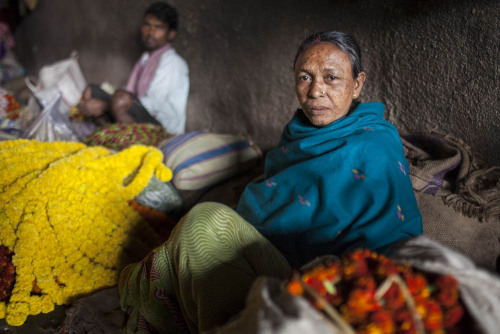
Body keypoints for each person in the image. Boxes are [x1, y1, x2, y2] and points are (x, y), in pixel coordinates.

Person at [118, 31, 422, 333]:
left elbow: (394, 241)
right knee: (195, 235)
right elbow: (268, 203)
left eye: (331, 78)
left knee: (204, 223)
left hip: (324, 285)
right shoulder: (296, 136)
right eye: (305, 77)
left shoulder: (374, 145)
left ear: (357, 84)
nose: (315, 91)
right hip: (277, 267)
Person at [78, 2, 189, 135]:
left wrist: (104, 105)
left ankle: (130, 145)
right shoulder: (145, 59)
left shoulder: (173, 63)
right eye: (147, 25)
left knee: (120, 99)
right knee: (92, 91)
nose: (150, 32)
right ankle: (113, 139)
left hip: (162, 129)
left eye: (158, 27)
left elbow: (152, 104)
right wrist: (108, 103)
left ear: (171, 34)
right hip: (139, 118)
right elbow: (131, 95)